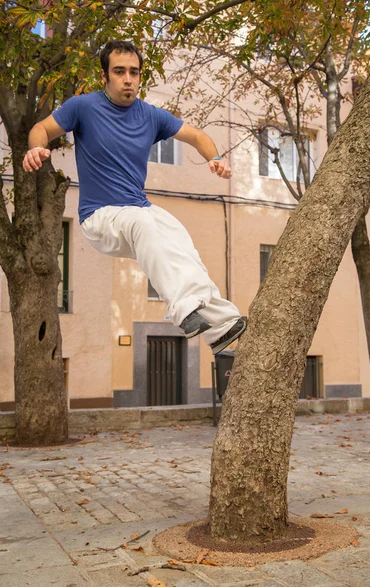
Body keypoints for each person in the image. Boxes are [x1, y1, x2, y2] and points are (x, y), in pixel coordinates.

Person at [22, 40, 247, 354]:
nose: (128, 79)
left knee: (179, 239)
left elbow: (196, 135)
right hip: (100, 218)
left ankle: (221, 325)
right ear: (105, 77)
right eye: (119, 72)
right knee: (142, 221)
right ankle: (182, 309)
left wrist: (215, 157)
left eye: (134, 72)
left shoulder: (151, 116)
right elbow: (41, 128)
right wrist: (36, 148)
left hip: (136, 210)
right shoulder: (82, 107)